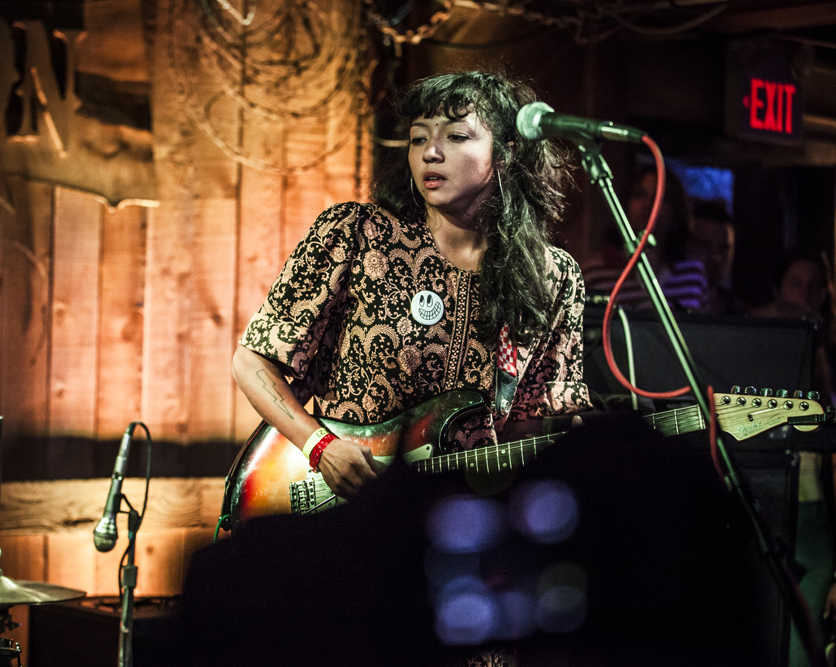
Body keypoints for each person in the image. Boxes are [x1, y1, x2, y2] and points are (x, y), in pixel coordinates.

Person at [226, 69, 592, 664]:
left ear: (507, 153)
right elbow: (252, 360)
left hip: (464, 550)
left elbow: (533, 421)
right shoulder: (358, 235)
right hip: (344, 527)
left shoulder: (552, 277)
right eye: (420, 137)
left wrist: (571, 433)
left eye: (456, 136)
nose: (431, 152)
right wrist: (319, 446)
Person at [752, 249, 836, 667]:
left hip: (816, 508)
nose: (806, 294)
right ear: (777, 289)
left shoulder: (824, 345)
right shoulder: (762, 332)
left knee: (807, 640)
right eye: (796, 284)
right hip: (766, 499)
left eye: (816, 286)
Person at [580, 165, 707, 311]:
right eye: (639, 195)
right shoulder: (593, 273)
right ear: (625, 205)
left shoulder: (692, 272)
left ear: (675, 210)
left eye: (660, 198)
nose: (648, 204)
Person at [687, 198, 744, 315]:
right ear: (687, 246)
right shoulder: (668, 304)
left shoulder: (741, 314)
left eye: (724, 248)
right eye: (704, 245)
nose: (716, 257)